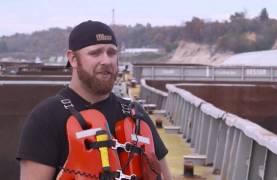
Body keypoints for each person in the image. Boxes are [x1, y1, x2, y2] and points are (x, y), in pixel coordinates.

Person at [17, 20, 172, 180]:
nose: (106, 61)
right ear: (73, 59)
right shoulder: (45, 118)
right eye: (95, 53)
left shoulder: (137, 116)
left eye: (111, 52)